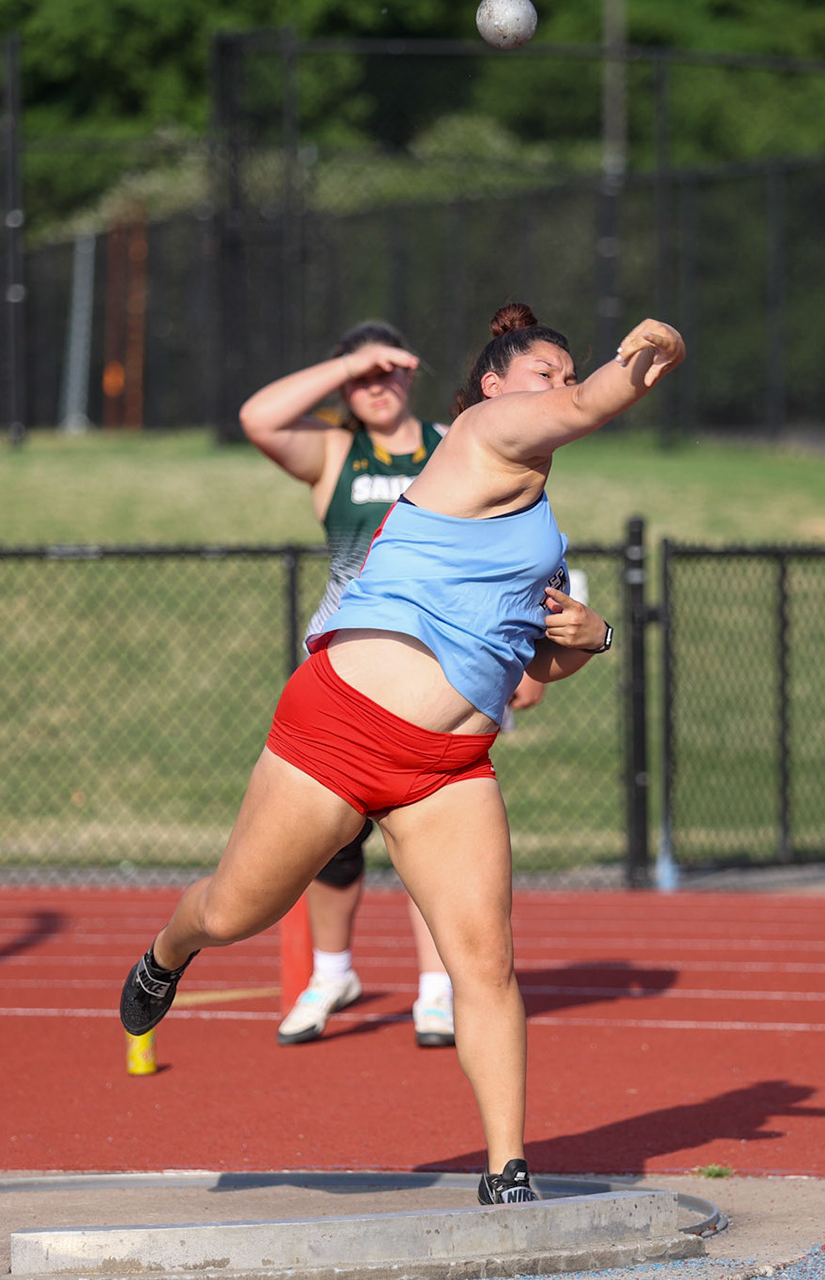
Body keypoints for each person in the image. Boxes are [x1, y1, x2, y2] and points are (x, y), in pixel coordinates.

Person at [121, 303, 684, 1202]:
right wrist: (653, 351)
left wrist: (592, 635)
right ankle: (166, 951)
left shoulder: (540, 524)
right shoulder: (479, 433)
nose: (563, 388)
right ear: (495, 386)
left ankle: (507, 1170)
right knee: (235, 913)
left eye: (571, 373)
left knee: (486, 965)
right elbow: (587, 410)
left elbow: (539, 660)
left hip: (447, 770)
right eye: (548, 372)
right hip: (339, 730)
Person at [237, 320, 542, 1050]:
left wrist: (529, 661)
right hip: (347, 671)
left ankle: (437, 989)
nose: (376, 387)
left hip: (441, 674)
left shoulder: (456, 441)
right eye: (362, 379)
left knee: (425, 833)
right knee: (327, 844)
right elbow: (258, 417)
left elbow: (521, 542)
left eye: (388, 372)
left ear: (412, 374)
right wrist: (347, 363)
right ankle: (332, 972)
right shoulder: (337, 452)